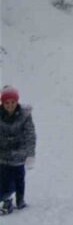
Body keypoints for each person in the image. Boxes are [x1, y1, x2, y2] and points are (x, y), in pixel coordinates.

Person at [0, 86, 36, 215]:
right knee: (4, 181)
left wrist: (30, 155)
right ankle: (7, 200)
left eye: (13, 102)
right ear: (2, 103)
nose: (10, 105)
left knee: (19, 179)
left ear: (17, 102)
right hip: (2, 155)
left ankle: (20, 201)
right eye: (6, 103)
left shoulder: (24, 116)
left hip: (19, 154)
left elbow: (30, 135)